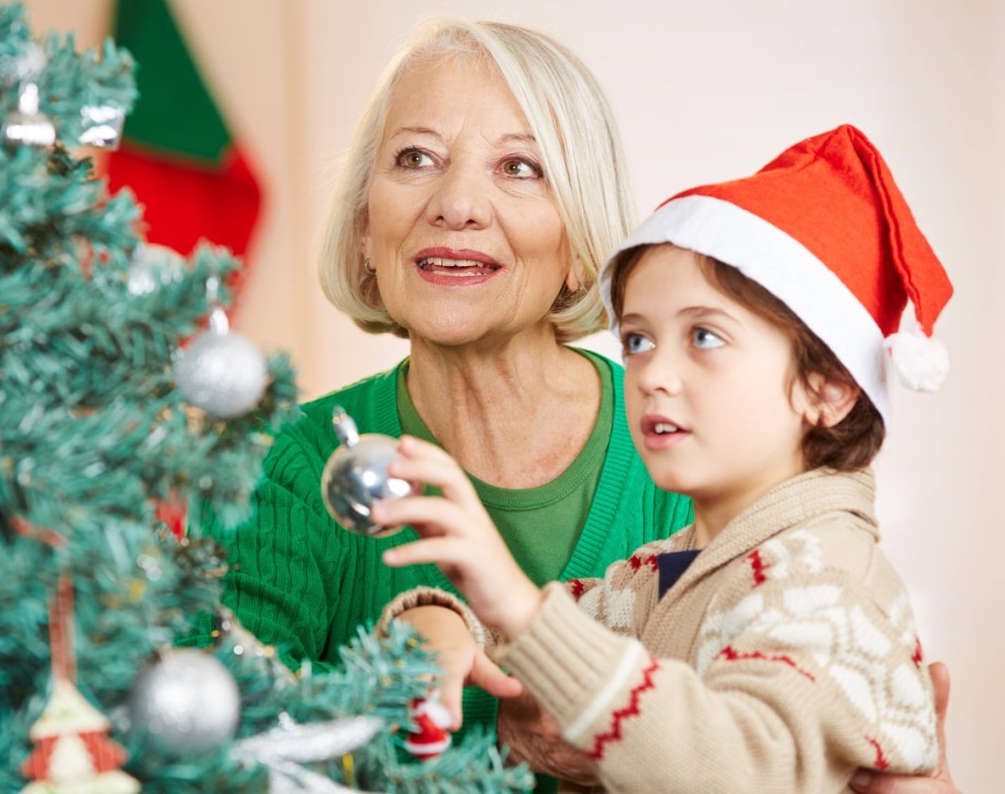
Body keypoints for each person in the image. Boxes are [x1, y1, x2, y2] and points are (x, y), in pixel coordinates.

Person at [190, 17, 957, 793]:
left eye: (520, 167)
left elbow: (734, 756)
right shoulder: (284, 466)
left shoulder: (707, 471)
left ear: (580, 242)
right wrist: (443, 623)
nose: (456, 203)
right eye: (415, 158)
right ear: (364, 226)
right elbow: (203, 745)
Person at [373, 124, 954, 792]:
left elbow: (733, 769)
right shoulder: (677, 567)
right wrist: (450, 620)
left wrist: (517, 606)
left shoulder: (826, 585)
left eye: (704, 336)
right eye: (640, 341)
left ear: (828, 387)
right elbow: (562, 634)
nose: (653, 375)